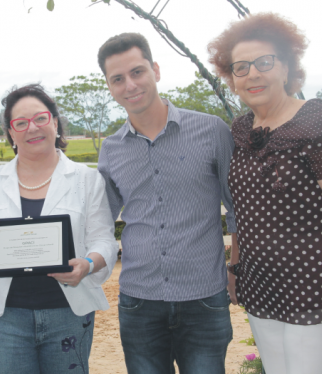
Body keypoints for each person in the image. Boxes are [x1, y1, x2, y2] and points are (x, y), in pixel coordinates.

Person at [207, 13, 322, 374]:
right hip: (262, 286)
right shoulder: (240, 131)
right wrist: (236, 268)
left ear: (287, 69)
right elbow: (242, 208)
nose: (253, 74)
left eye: (264, 62)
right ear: (231, 79)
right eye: (241, 67)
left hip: (316, 287)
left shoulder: (317, 122)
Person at [96, 33, 236, 374]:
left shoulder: (212, 131)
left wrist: (235, 269)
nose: (130, 85)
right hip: (138, 302)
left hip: (204, 297)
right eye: (118, 79)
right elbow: (99, 220)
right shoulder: (111, 150)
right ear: (110, 87)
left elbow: (237, 208)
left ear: (155, 70)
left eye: (137, 72)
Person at [0, 84, 118, 374]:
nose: (32, 128)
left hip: (69, 313)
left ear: (55, 123)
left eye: (41, 118)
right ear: (11, 133)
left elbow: (104, 240)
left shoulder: (86, 179)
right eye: (21, 123)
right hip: (9, 317)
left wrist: (89, 264)